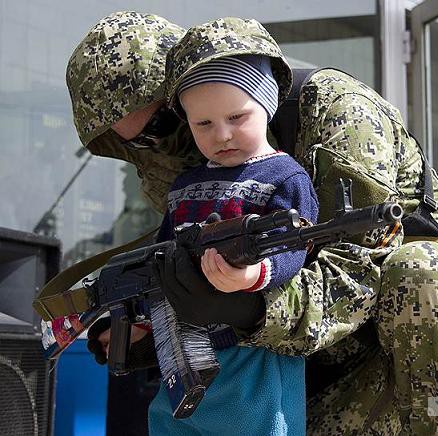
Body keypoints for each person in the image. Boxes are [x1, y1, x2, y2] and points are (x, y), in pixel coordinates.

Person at [67, 13, 438, 435]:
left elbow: (358, 275)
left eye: (163, 123)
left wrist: (249, 307)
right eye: (141, 141)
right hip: (297, 365)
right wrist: (158, 325)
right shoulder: (184, 164)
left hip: (406, 336)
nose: (165, 144)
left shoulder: (337, 112)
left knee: (424, 272)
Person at [148, 51, 319, 435]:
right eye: (203, 123)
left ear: (267, 106)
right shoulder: (183, 186)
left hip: (251, 350)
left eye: (236, 117)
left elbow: (294, 244)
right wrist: (140, 318)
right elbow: (159, 260)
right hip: (182, 350)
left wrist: (255, 276)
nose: (221, 134)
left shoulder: (285, 177)